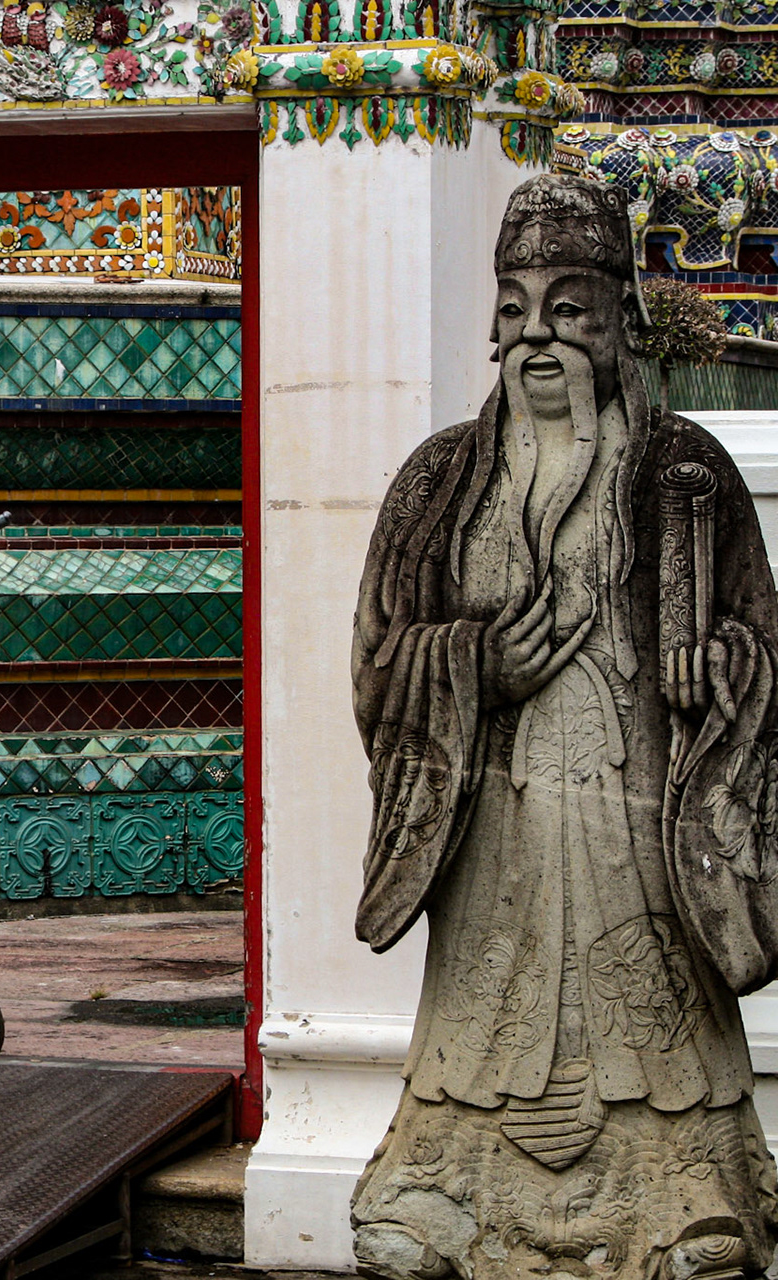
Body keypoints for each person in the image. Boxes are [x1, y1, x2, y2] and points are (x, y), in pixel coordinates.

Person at [352, 175, 778, 1280]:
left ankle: (690, 1195)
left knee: (656, 1013)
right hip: (491, 814)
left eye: (569, 305)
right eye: (516, 304)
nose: (538, 333)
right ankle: (437, 1188)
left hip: (642, 817)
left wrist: (716, 671)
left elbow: (763, 645)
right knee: (483, 1003)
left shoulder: (686, 475)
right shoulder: (440, 484)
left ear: (621, 318)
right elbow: (379, 656)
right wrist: (475, 663)